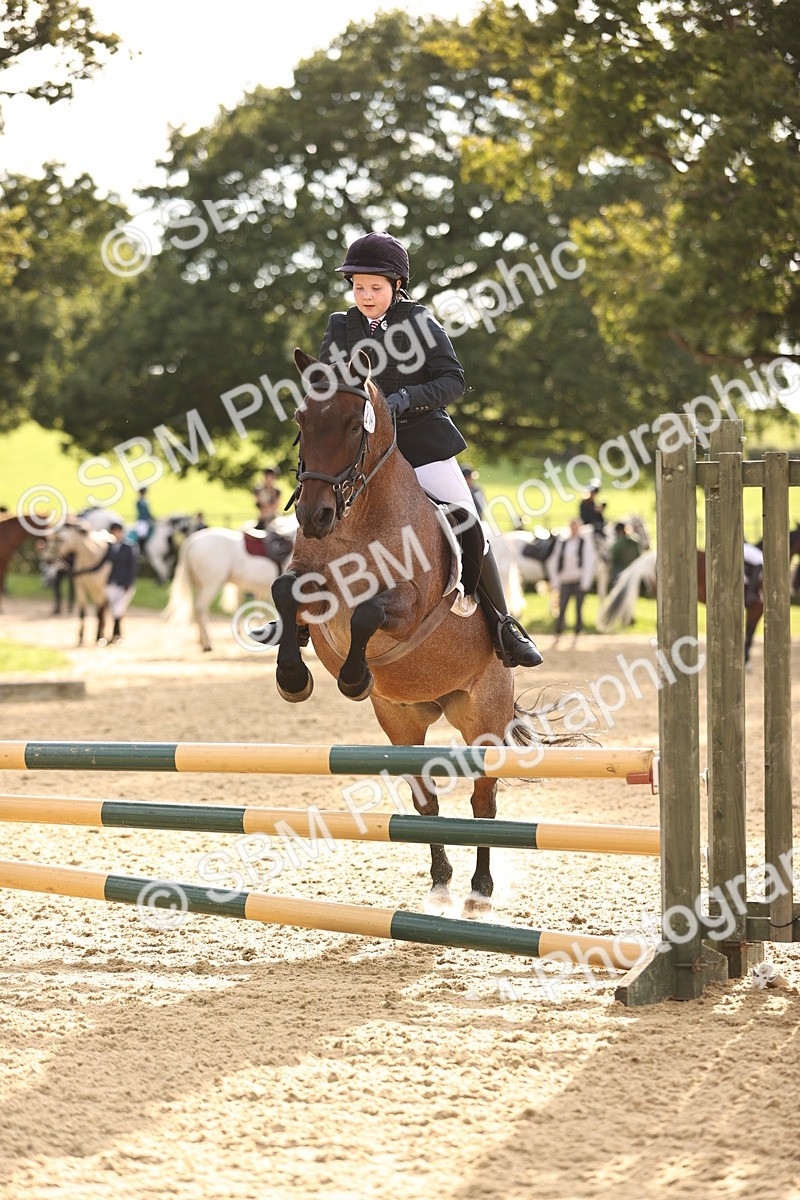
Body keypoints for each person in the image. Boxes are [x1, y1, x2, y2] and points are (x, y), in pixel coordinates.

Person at [309, 231, 542, 668]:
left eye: (375, 288)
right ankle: (295, 614)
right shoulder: (340, 325)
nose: (365, 295)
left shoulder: (420, 322)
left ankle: (503, 625)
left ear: (396, 286)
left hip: (419, 439)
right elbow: (324, 382)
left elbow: (452, 379)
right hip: (359, 447)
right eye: (358, 287)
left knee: (466, 517)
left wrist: (402, 400)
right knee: (316, 499)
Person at [72, 522, 138, 643]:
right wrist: (83, 571)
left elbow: (132, 567)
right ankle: (107, 635)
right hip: (111, 581)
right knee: (110, 609)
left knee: (118, 610)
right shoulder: (111, 547)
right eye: (114, 531)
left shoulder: (129, 547)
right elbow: (100, 564)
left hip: (123, 583)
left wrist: (129, 583)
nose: (116, 534)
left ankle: (117, 635)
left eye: (118, 531)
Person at [549, 520, 596, 642]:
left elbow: (588, 563)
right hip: (565, 579)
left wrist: (586, 581)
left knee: (578, 608)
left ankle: (577, 631)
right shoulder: (563, 543)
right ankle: (559, 630)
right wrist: (555, 580)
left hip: (578, 580)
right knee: (562, 606)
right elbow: (556, 560)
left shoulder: (584, 543)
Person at [609, 521, 641, 586]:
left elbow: (613, 558)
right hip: (633, 572)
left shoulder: (617, 544)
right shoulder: (635, 542)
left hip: (620, 573)